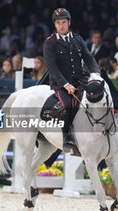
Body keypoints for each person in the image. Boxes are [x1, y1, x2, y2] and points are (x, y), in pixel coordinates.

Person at [43, 8, 100, 150]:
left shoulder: (77, 39)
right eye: (58, 23)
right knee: (67, 105)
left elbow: (88, 57)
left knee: (101, 93)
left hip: (81, 78)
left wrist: (95, 73)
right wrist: (65, 84)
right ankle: (67, 136)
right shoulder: (50, 42)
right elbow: (52, 67)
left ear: (69, 22)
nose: (61, 26)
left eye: (63, 22)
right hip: (60, 82)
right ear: (55, 25)